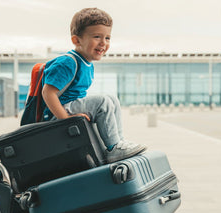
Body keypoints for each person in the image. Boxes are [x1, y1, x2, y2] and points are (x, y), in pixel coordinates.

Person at [42, 7, 146, 163]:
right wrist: (66, 120)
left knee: (112, 99)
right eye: (97, 37)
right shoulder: (68, 62)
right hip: (55, 115)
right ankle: (113, 148)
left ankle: (118, 143)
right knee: (102, 102)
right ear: (77, 40)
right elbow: (47, 93)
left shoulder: (87, 63)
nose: (103, 43)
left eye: (108, 38)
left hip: (69, 107)